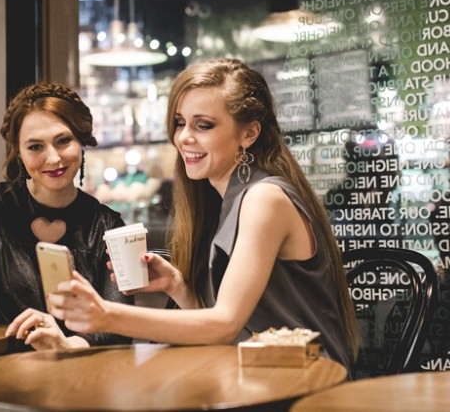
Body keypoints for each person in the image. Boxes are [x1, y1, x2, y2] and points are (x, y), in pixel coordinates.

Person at [48, 58, 359, 373]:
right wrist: (177, 286)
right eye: (181, 122)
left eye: (203, 125)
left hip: (308, 384)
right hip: (264, 373)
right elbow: (236, 328)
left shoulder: (264, 198)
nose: (183, 137)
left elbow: (225, 326)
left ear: (249, 133)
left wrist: (106, 316)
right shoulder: (231, 198)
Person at [0, 83, 133, 350]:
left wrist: (67, 346)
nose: (53, 158)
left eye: (63, 140)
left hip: (79, 379)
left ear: (81, 140)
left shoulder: (106, 225)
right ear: (19, 153)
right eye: (35, 146)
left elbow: (120, 324)